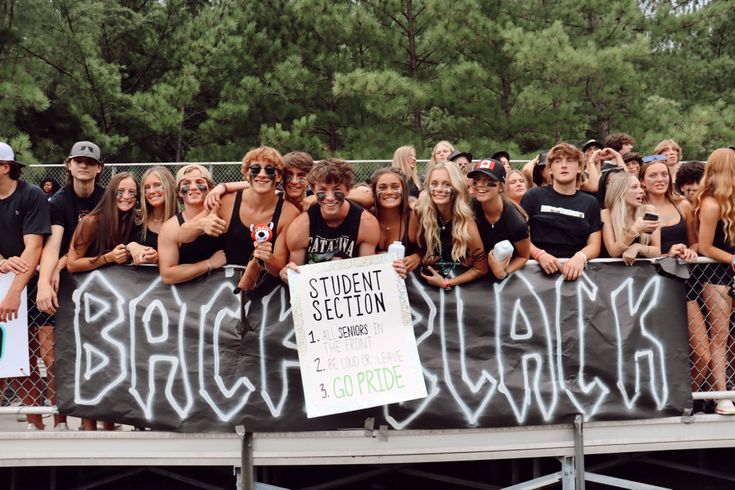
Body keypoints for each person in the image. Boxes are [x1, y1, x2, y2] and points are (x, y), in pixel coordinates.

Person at [36, 140, 106, 431]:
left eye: (90, 162)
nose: (83, 165)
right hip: (59, 284)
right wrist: (45, 280)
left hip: (97, 282)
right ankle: (60, 418)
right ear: (68, 164)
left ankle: (98, 420)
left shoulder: (107, 198)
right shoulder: (58, 202)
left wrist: (66, 260)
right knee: (51, 357)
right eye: (78, 160)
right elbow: (52, 244)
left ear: (99, 168)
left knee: (96, 354)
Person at [0, 142, 50, 431]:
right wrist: (3, 262)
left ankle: (37, 423)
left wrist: (13, 292)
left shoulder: (30, 196)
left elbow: (34, 248)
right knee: (6, 358)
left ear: (6, 167)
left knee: (26, 356)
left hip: (26, 286)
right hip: (6, 275)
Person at [282, 158, 385, 278]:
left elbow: (368, 273)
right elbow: (296, 278)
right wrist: (287, 275)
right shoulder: (300, 227)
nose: (330, 197)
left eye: (336, 190)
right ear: (313, 189)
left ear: (348, 190)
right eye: (322, 190)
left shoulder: (366, 224)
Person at [522, 142, 601, 281]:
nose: (564, 165)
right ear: (550, 169)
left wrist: (580, 257)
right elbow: (520, 237)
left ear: (579, 168)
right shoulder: (533, 196)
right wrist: (539, 255)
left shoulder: (591, 203)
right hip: (535, 273)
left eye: (570, 160)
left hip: (577, 276)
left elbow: (595, 244)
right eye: (558, 161)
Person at [694, 148, 735, 415]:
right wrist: (733, 259)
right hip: (716, 276)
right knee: (719, 336)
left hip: (728, 270)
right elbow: (705, 247)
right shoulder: (710, 203)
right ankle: (722, 396)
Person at [415, 161, 488, 288]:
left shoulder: (467, 223)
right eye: (434, 184)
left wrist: (447, 283)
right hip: (428, 291)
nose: (439, 189)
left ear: (456, 187)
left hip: (463, 291)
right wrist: (420, 255)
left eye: (446, 184)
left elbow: (481, 269)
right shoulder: (421, 213)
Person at [158, 165, 226, 285]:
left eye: (199, 182)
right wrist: (209, 263)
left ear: (210, 188)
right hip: (190, 297)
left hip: (228, 291)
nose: (193, 187)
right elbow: (168, 275)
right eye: (186, 183)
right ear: (179, 191)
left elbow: (252, 188)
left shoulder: (225, 212)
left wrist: (224, 186)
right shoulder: (170, 227)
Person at [468, 159, 530, 281]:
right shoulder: (469, 208)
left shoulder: (516, 222)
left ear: (501, 186)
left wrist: (504, 272)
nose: (480, 185)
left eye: (488, 181)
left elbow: (524, 256)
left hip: (503, 285)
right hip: (476, 274)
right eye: (477, 180)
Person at [369, 167, 422, 274]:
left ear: (404, 190)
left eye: (395, 187)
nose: (389, 192)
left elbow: (427, 249)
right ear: (374, 191)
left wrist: (417, 256)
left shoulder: (414, 218)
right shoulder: (366, 218)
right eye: (382, 188)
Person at [601, 172, 661, 264]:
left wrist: (638, 247)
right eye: (634, 187)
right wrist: (635, 230)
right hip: (613, 273)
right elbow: (613, 252)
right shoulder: (606, 214)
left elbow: (657, 251)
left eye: (640, 186)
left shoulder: (648, 210)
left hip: (644, 272)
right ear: (620, 192)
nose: (641, 191)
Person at [126, 166, 178, 264]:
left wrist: (157, 259)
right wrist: (131, 246)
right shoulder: (135, 218)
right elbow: (117, 248)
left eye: (157, 185)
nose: (151, 191)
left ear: (169, 187)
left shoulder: (181, 221)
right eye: (147, 187)